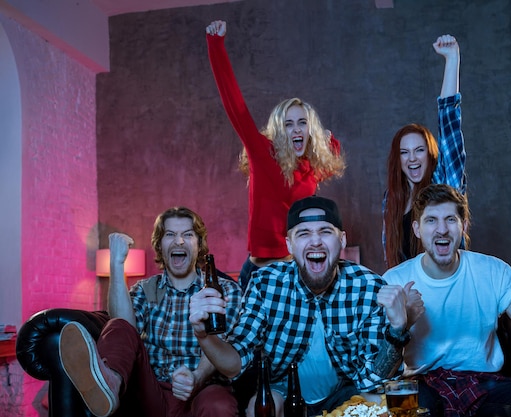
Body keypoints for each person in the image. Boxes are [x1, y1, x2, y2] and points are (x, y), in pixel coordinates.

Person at [189, 196, 411, 417]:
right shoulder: (265, 284)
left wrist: (397, 329)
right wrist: (203, 335)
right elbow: (233, 364)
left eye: (325, 231)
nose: (315, 241)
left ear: (341, 240)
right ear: (289, 244)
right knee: (259, 407)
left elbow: (375, 379)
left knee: (382, 404)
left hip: (346, 390)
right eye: (303, 233)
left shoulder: (368, 286)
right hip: (284, 390)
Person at [380, 184, 511, 417]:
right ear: (417, 229)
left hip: (484, 382)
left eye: (450, 219)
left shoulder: (493, 270)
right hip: (422, 382)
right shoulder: (395, 280)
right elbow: (379, 370)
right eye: (431, 221)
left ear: (463, 226)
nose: (441, 230)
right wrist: (401, 323)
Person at [58, 207, 242, 417]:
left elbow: (223, 342)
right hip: (153, 390)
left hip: (203, 389)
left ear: (199, 245)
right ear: (160, 245)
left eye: (188, 234)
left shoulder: (224, 290)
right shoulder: (145, 290)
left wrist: (197, 377)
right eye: (170, 235)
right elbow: (123, 328)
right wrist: (116, 265)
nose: (179, 241)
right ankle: (110, 385)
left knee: (218, 404)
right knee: (118, 324)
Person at [205, 20, 346, 290]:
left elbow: (332, 154)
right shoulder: (262, 154)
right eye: (288, 123)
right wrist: (216, 45)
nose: (296, 129)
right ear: (279, 130)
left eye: (302, 123)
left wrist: (327, 139)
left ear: (309, 128)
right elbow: (234, 103)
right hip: (258, 273)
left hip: (295, 271)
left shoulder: (311, 167)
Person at [383, 34, 467, 268]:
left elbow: (450, 126)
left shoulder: (443, 186)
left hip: (445, 287)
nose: (412, 158)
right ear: (397, 160)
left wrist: (452, 59)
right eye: (404, 152)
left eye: (419, 150)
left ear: (430, 154)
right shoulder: (391, 199)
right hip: (410, 296)